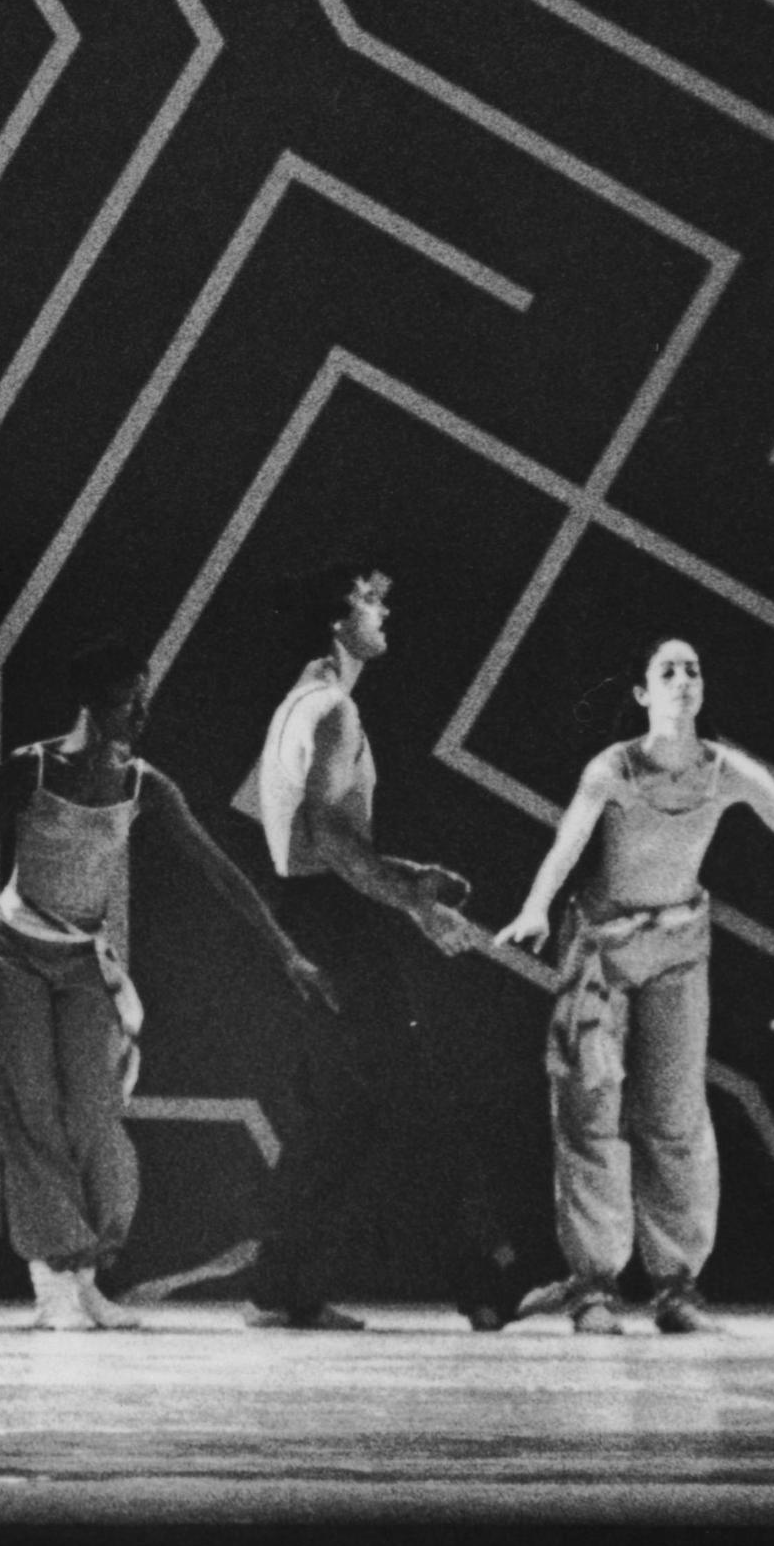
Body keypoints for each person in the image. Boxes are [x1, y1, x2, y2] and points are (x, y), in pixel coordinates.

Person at [492, 638, 774, 1334]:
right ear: (645, 693)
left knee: (676, 1113)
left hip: (679, 947)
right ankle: (594, 1283)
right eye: (667, 670)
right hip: (603, 948)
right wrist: (534, 904)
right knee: (591, 1108)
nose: (683, 679)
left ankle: (677, 1285)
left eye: (693, 669)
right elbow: (568, 841)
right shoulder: (612, 767)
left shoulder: (729, 771)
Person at [0, 631, 335, 1329]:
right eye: (129, 699)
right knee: (31, 1110)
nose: (141, 713)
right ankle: (50, 1283)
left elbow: (221, 870)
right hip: (15, 953)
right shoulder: (29, 769)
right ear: (94, 702)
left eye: (144, 697)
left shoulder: (142, 783)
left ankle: (85, 1277)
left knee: (93, 1114)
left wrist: (287, 951)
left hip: (85, 960)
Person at [223, 565, 520, 1331]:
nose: (385, 610)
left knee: (346, 1111)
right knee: (413, 1095)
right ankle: (488, 1284)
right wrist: (413, 904)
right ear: (335, 620)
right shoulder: (332, 710)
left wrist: (400, 871)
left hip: (314, 911)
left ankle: (281, 1283)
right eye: (370, 599)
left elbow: (302, 833)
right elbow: (324, 831)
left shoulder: (297, 705)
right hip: (335, 923)